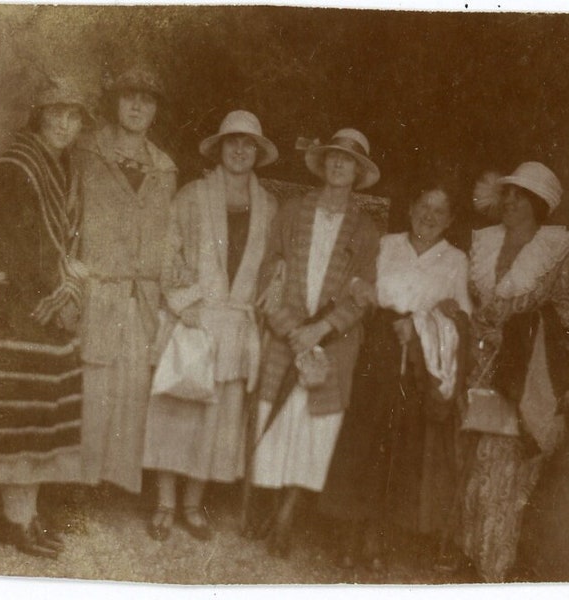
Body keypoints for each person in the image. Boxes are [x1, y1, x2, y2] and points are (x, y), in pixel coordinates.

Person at [318, 180, 471, 570]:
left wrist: (420, 325)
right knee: (362, 437)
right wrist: (365, 297)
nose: (429, 216)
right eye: (424, 205)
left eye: (439, 211)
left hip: (417, 357)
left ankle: (376, 537)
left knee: (398, 444)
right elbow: (357, 285)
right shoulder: (388, 244)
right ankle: (348, 533)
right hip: (378, 347)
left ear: (450, 220)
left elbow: (460, 316)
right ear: (411, 207)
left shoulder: (455, 261)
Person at [0, 77, 92, 558]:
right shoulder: (16, 165)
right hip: (10, 305)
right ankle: (15, 520)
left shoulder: (59, 165)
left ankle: (24, 515)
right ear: (38, 115)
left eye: (75, 115)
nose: (65, 123)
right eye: (57, 113)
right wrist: (60, 293)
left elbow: (55, 245)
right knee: (18, 415)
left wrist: (61, 290)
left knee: (39, 413)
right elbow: (19, 248)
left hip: (36, 302)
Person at [142, 110, 278, 542]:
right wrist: (184, 303)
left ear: (257, 153)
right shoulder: (192, 195)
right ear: (219, 148)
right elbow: (168, 252)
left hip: (235, 323)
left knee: (216, 419)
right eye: (232, 142)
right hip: (195, 318)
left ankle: (192, 505)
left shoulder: (270, 207)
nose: (240, 150)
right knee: (178, 412)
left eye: (248, 144)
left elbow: (276, 270)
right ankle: (164, 503)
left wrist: (265, 300)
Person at [245, 128, 381, 557]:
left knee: (313, 431)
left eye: (349, 161)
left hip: (332, 340)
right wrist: (291, 329)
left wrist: (320, 331)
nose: (339, 165)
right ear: (322, 164)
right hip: (287, 330)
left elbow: (364, 296)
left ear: (358, 173)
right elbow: (269, 274)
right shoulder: (291, 212)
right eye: (333, 157)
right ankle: (265, 505)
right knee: (276, 420)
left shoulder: (365, 229)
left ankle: (287, 517)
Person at [459, 161, 569, 582]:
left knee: (508, 462)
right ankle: (464, 553)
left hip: (527, 370)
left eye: (519, 196)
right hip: (481, 364)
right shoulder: (485, 243)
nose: (509, 201)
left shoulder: (557, 251)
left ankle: (493, 567)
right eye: (507, 194)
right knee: (473, 457)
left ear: (539, 205)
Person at [77, 67, 177, 495]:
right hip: (95, 285)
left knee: (130, 389)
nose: (137, 106)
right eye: (129, 97)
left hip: (140, 294)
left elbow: (168, 235)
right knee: (89, 387)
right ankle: (74, 483)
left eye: (147, 99)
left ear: (155, 111)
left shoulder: (165, 169)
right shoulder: (86, 152)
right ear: (115, 103)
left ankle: (109, 484)